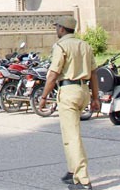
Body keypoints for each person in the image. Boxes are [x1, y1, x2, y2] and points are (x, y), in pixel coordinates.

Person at [38, 15, 99, 190]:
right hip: (83, 90)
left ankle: (83, 180)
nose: (56, 29)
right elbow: (94, 73)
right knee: (68, 132)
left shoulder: (61, 46)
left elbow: (53, 74)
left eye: (57, 27)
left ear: (62, 29)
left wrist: (43, 97)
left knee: (72, 137)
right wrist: (95, 98)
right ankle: (73, 171)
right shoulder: (84, 45)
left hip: (69, 91)